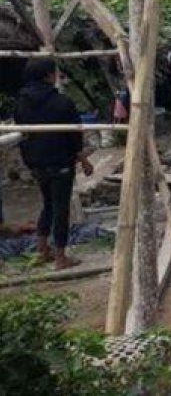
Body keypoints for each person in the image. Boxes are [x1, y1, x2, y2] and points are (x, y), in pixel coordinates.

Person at [13, 59, 94, 269]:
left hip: (36, 162)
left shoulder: (21, 102)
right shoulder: (62, 103)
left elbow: (23, 133)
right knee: (61, 208)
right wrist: (83, 159)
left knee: (48, 204)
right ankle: (60, 256)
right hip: (60, 161)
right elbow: (74, 136)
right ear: (48, 75)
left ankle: (42, 250)